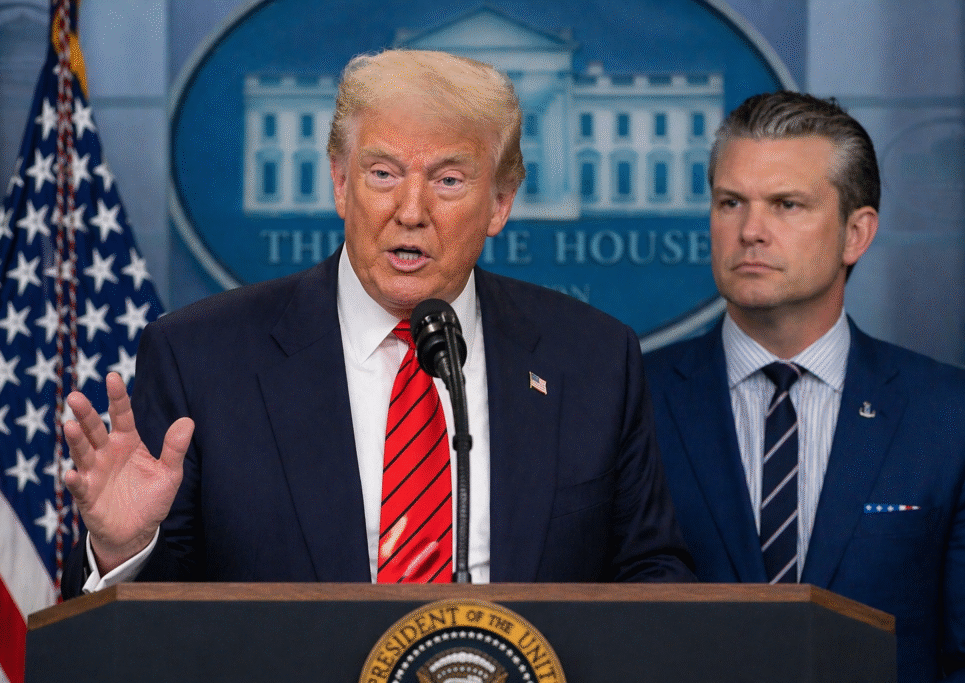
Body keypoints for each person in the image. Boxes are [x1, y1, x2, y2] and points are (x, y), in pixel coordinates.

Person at [61, 49, 694, 596]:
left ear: (501, 202)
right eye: (383, 174)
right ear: (340, 183)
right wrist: (121, 551)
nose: (410, 211)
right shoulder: (199, 358)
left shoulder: (591, 358)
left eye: (448, 179)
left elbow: (650, 573)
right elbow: (152, 629)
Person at [643, 90, 965, 681]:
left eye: (787, 204)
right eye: (730, 202)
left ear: (856, 234)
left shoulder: (948, 416)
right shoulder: (630, 400)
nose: (751, 231)